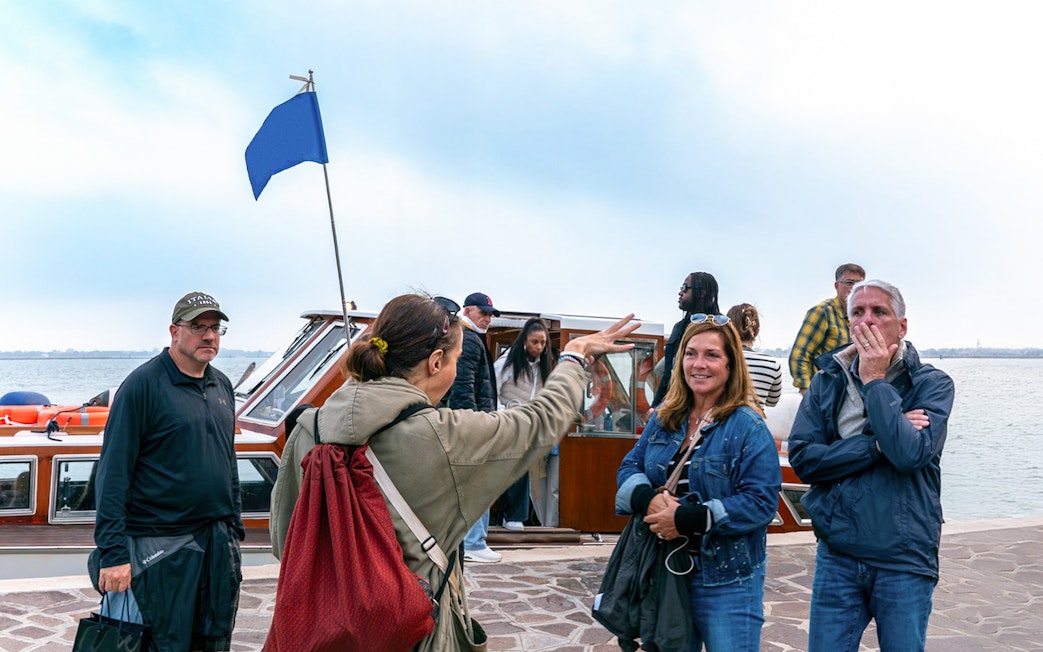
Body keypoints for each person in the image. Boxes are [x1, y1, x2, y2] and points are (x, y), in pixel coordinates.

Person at [270, 293, 639, 650]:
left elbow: (282, 539)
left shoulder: (309, 428)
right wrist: (574, 357)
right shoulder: (445, 436)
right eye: (456, 360)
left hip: (318, 632)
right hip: (408, 636)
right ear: (434, 363)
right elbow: (539, 422)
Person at [787, 280, 955, 652]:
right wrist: (875, 445)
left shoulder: (932, 384)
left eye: (879, 312)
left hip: (903, 558)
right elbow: (804, 460)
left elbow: (909, 455)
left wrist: (875, 380)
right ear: (849, 326)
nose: (868, 321)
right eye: (858, 313)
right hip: (839, 553)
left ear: (902, 325)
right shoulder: (826, 380)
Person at [616, 313, 782, 651]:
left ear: (731, 365)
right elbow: (629, 466)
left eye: (711, 355)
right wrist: (649, 499)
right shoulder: (665, 418)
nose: (698, 364)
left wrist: (685, 519)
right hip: (666, 571)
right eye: (691, 353)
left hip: (726, 580)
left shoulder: (749, 426)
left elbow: (761, 503)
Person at [94, 291, 244, 651]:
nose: (209, 336)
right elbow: (112, 473)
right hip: (161, 548)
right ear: (174, 331)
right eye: (197, 327)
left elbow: (227, 459)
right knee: (164, 644)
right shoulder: (143, 386)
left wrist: (235, 525)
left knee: (212, 639)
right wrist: (113, 554)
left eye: (215, 327)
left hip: (216, 545)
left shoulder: (221, 385)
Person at [444, 292, 502, 562]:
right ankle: (474, 543)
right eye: (484, 313)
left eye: (490, 314)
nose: (488, 318)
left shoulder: (468, 337)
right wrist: (474, 423)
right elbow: (463, 385)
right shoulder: (469, 339)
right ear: (467, 311)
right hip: (473, 424)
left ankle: (472, 541)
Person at [493, 317, 555, 529]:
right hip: (508, 421)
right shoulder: (506, 363)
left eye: (543, 343)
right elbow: (493, 391)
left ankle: (509, 515)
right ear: (524, 342)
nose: (539, 347)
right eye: (535, 342)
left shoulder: (544, 367)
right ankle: (512, 517)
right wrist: (503, 414)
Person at [788, 263, 865, 394]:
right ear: (837, 286)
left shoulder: (863, 317)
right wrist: (808, 393)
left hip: (850, 395)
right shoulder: (822, 312)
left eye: (859, 284)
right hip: (824, 392)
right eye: (849, 282)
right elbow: (799, 355)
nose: (854, 288)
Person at [652, 271, 719, 409]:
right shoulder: (679, 327)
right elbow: (667, 374)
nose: (680, 293)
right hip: (675, 405)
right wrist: (655, 406)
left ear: (701, 293)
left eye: (684, 288)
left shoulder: (719, 327)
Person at [727, 303, 783, 407]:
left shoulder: (721, 359)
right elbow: (772, 402)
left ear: (728, 328)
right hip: (755, 421)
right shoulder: (773, 364)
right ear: (756, 329)